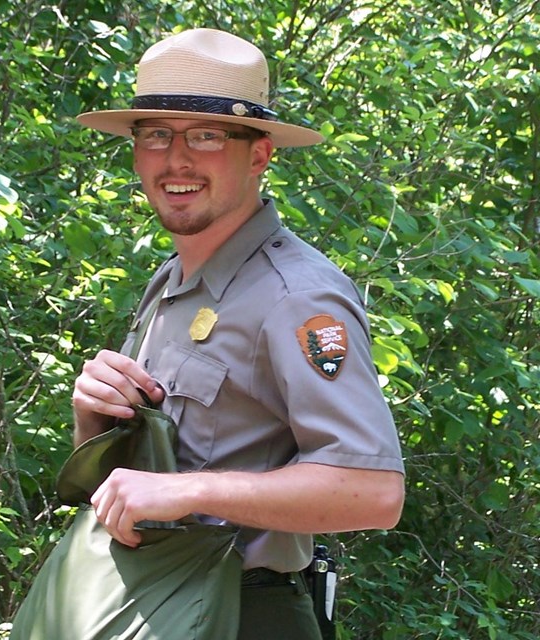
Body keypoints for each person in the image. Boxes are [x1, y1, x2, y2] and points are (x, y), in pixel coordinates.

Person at [71, 28, 405, 639]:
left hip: (242, 612)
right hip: (148, 601)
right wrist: (97, 420)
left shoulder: (296, 296)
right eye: (156, 136)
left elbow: (373, 491)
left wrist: (191, 491)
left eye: (206, 135)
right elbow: (149, 474)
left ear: (259, 153)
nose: (176, 160)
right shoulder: (173, 278)